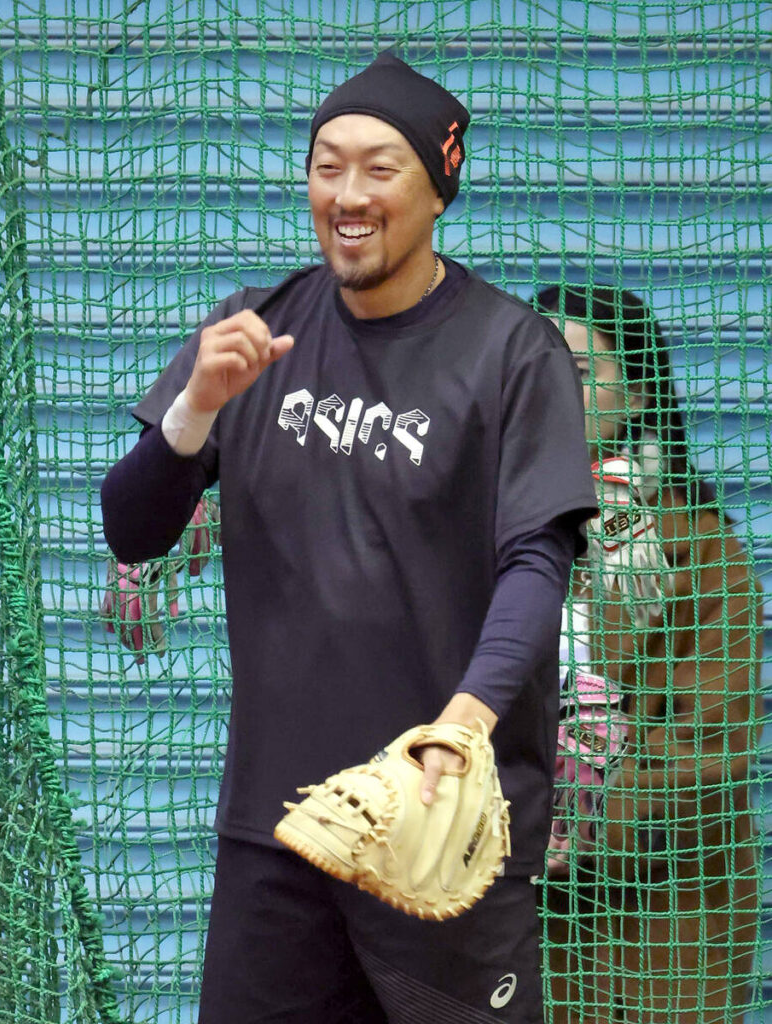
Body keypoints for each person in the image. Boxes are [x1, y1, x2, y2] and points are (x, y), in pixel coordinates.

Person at [101, 52, 598, 1024]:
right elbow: (133, 525)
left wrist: (464, 719)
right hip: (276, 834)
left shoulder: (511, 351)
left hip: (440, 835)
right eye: (328, 165)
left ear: (438, 187)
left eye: (380, 167)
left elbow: (538, 559)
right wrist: (194, 409)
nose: (348, 194)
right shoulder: (253, 330)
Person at [534, 284, 764, 1024]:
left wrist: (584, 823)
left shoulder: (699, 546)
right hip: (518, 909)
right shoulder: (488, 531)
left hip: (665, 913)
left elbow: (714, 735)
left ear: (636, 397)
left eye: (574, 374)